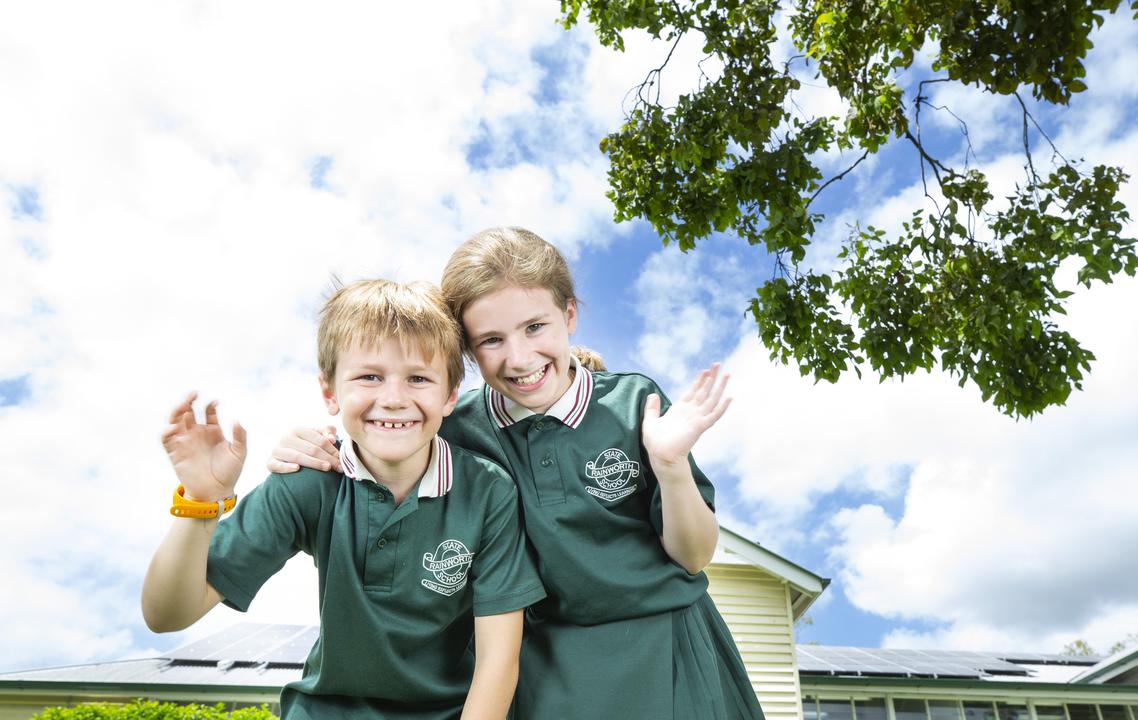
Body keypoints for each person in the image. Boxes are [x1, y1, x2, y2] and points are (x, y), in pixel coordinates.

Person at [269, 228, 766, 720]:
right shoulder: (456, 430)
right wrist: (312, 448)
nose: (520, 358)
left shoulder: (636, 402)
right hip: (543, 670)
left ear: (568, 315)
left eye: (535, 327)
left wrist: (671, 467)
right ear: (465, 351)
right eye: (491, 340)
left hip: (671, 649)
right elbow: (379, 442)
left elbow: (695, 556)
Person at [142, 279, 545, 720]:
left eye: (418, 378)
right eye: (369, 376)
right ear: (330, 392)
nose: (393, 399)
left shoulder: (488, 492)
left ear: (450, 394)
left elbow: (497, 661)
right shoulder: (307, 482)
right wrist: (202, 502)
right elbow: (167, 615)